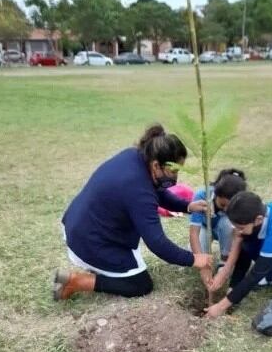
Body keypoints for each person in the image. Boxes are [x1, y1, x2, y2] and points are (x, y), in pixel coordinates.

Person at [53, 124, 212, 301]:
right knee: (140, 284)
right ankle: (78, 281)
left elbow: (156, 191)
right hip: (89, 243)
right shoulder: (138, 189)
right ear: (156, 165)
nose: (175, 178)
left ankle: (98, 268)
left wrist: (187, 206)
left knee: (131, 270)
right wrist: (193, 259)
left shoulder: (135, 156)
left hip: (79, 226)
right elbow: (158, 243)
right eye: (173, 170)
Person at [188, 168, 247, 287]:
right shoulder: (202, 196)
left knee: (227, 223)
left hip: (225, 230)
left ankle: (223, 261)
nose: (226, 209)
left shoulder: (242, 204)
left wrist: (226, 268)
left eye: (230, 207)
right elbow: (194, 233)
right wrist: (203, 266)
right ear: (216, 194)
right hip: (205, 228)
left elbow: (237, 238)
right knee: (192, 252)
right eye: (223, 205)